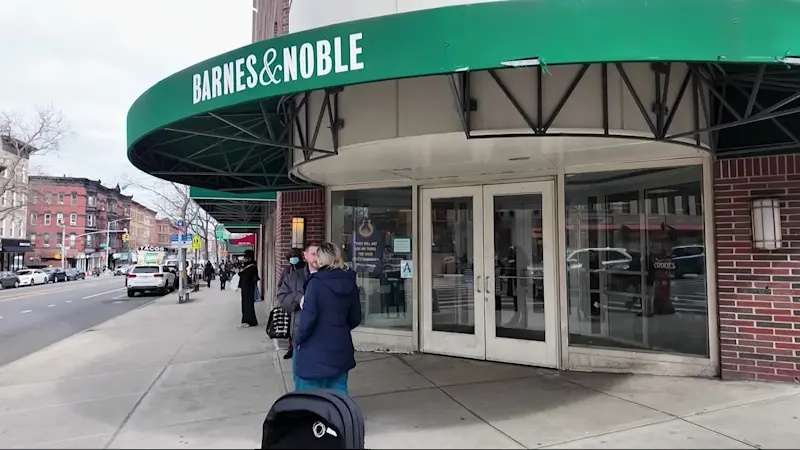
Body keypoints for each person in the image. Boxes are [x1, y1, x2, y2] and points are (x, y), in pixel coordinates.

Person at [293, 242, 361, 394]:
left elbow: (307, 320)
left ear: (321, 259)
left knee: (310, 397)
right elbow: (355, 317)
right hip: (341, 346)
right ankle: (339, 417)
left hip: (315, 350)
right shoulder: (350, 282)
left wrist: (298, 339)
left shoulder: (315, 284)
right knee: (339, 393)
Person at [276, 242, 319, 360]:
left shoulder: (331, 277)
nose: (316, 257)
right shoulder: (290, 273)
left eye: (319, 254)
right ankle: (291, 348)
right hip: (298, 324)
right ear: (305, 255)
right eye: (313, 254)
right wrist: (299, 298)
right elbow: (282, 294)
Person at [237, 250, 260, 328]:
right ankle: (250, 321)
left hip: (249, 288)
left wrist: (240, 273)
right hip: (246, 288)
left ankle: (247, 321)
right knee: (245, 304)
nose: (244, 259)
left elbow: (247, 277)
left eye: (246, 257)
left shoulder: (252, 267)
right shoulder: (248, 266)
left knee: (247, 305)